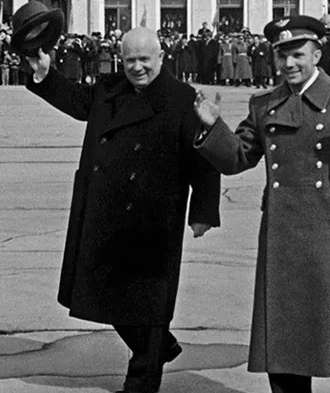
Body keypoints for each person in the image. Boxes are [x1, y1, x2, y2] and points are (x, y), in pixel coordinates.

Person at [193, 15, 330, 393]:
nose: (289, 64)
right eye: (281, 56)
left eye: (298, 55)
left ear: (317, 54)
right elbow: (238, 157)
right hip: (283, 229)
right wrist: (212, 127)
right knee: (286, 328)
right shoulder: (265, 104)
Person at [25, 27, 221, 393]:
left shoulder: (182, 98)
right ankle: (163, 346)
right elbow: (77, 101)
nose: (137, 67)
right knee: (101, 292)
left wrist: (203, 211)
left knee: (149, 303)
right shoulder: (109, 88)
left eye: (145, 59)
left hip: (154, 215)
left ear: (161, 58)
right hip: (104, 211)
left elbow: (203, 154)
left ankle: (142, 382)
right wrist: (45, 75)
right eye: (130, 60)